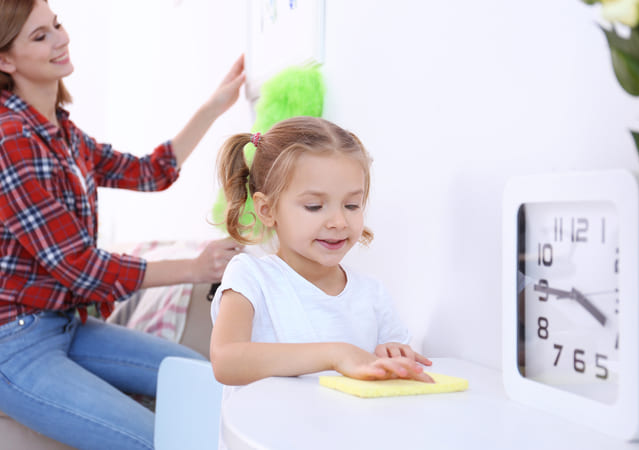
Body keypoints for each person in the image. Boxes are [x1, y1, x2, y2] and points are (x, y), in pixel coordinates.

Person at [0, 1, 244, 449]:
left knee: (207, 380)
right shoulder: (10, 137)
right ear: (5, 59)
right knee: (160, 440)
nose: (61, 39)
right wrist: (194, 268)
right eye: (40, 36)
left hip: (64, 324)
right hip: (12, 344)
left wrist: (215, 106)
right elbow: (80, 267)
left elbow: (151, 172)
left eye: (56, 26)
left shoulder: (63, 133)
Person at [210, 116, 433, 447]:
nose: (339, 221)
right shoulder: (250, 277)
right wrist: (335, 354)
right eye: (315, 206)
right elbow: (227, 360)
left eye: (352, 205)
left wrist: (392, 356)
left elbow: (390, 372)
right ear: (268, 210)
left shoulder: (372, 294)